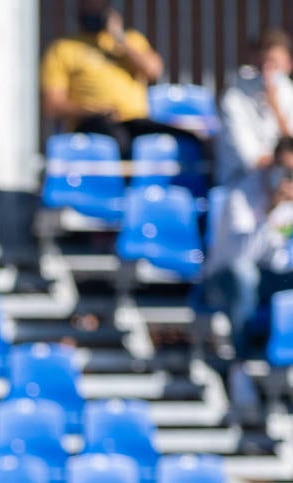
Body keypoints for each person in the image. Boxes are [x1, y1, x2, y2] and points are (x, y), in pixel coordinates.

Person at [39, 0, 195, 158]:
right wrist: (92, 111)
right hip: (92, 122)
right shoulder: (63, 48)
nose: (93, 10)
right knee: (119, 141)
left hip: (134, 120)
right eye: (88, 6)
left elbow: (153, 70)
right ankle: (124, 183)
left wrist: (119, 38)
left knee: (187, 140)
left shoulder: (131, 40)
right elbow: (52, 105)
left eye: (98, 6)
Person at [207, 136, 293, 360]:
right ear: (272, 165)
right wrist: (271, 209)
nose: (289, 178)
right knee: (244, 275)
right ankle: (240, 360)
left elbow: (279, 259)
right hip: (221, 281)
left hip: (265, 278)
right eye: (286, 170)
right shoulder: (240, 196)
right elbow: (242, 257)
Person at [217, 29, 293, 188]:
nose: (267, 72)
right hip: (241, 185)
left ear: (288, 63)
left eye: (274, 64)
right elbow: (252, 160)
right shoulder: (234, 98)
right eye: (262, 64)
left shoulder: (288, 92)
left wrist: (276, 108)